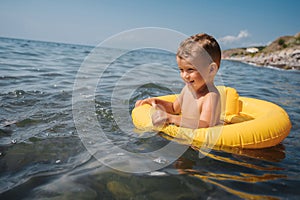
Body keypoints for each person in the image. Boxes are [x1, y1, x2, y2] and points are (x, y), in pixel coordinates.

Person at [135, 33, 222, 129]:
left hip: (199, 142)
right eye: (181, 70)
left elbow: (205, 124)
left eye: (190, 70)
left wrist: (171, 119)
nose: (184, 76)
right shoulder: (187, 89)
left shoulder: (211, 96)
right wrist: (154, 101)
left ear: (211, 70)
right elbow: (173, 108)